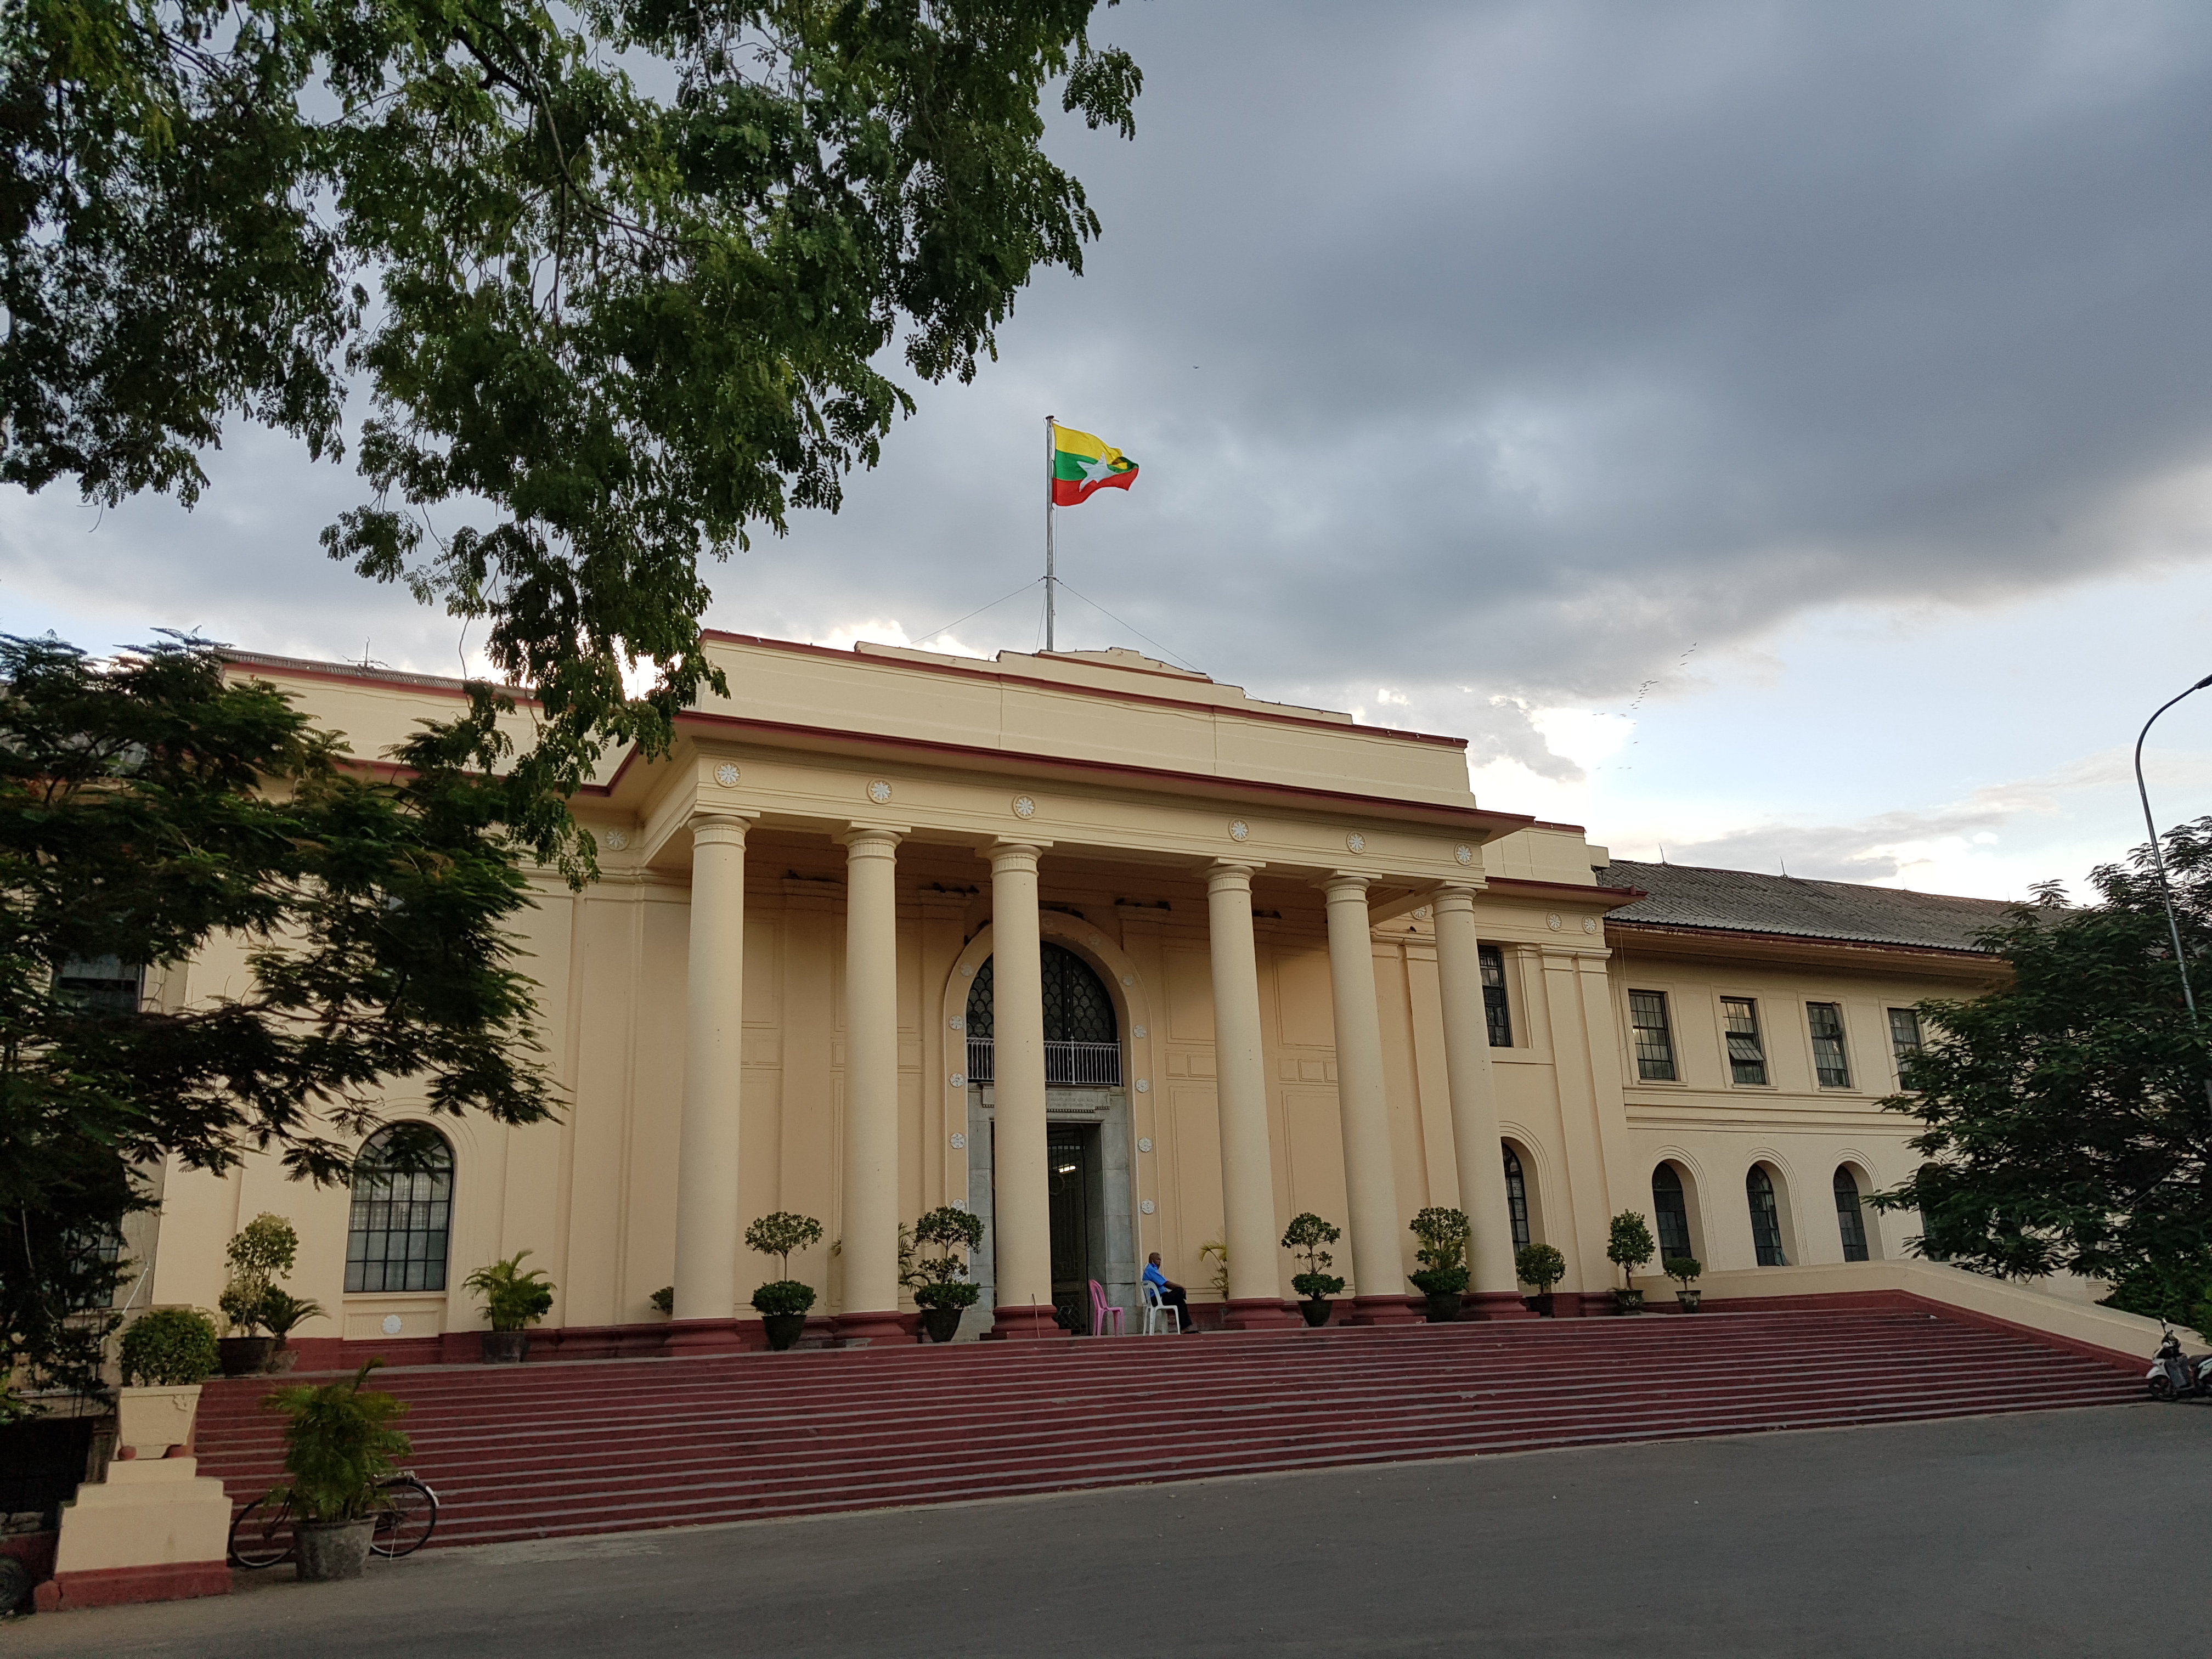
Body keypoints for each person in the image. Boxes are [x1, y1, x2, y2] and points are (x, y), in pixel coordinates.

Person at [1143, 1251, 1195, 1333]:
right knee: (1179, 1291)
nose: (1159, 1262)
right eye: (1157, 1259)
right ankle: (1186, 1327)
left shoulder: (1152, 1270)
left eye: (1160, 1260)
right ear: (1152, 1260)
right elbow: (1166, 1284)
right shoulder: (1151, 1270)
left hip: (1161, 1297)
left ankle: (1185, 1328)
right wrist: (1181, 1287)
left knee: (1180, 1302)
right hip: (1157, 1299)